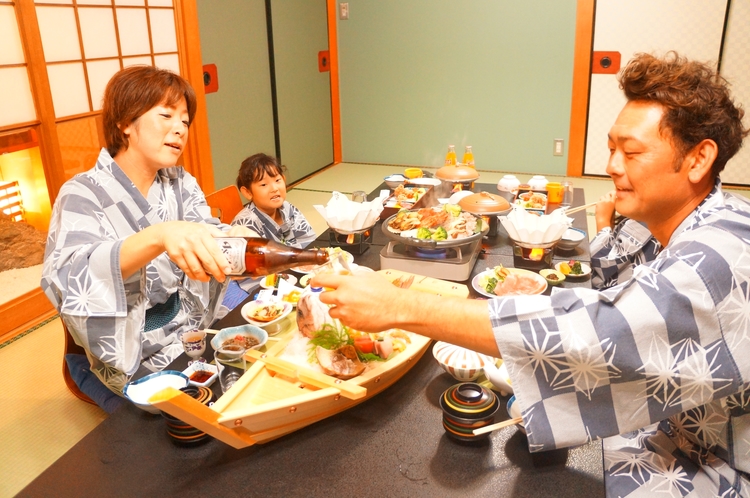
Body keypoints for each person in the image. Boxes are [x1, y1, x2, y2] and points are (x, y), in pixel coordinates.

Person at [312, 52, 750, 496]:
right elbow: (609, 279)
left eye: (632, 152)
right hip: (663, 431)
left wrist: (398, 306)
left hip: (710, 466)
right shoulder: (663, 220)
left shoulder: (724, 253)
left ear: (698, 159)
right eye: (612, 149)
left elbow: (600, 332)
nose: (613, 166)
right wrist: (608, 227)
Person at [41, 65, 256, 411]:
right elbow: (70, 276)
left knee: (248, 377)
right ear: (125, 123)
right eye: (166, 115)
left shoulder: (179, 181)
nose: (180, 129)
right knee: (185, 421)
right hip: (132, 347)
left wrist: (230, 236)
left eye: (185, 121)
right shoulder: (81, 194)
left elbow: (203, 229)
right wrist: (158, 236)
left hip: (190, 325)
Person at [232, 153, 316, 249]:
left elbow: (310, 241)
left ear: (283, 179)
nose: (274, 188)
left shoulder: (288, 208)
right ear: (248, 192)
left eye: (277, 180)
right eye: (263, 184)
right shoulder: (246, 224)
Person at [589, 190, 661, 289]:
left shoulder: (647, 218)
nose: (613, 173)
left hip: (616, 296)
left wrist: (602, 219)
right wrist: (610, 220)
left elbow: (602, 266)